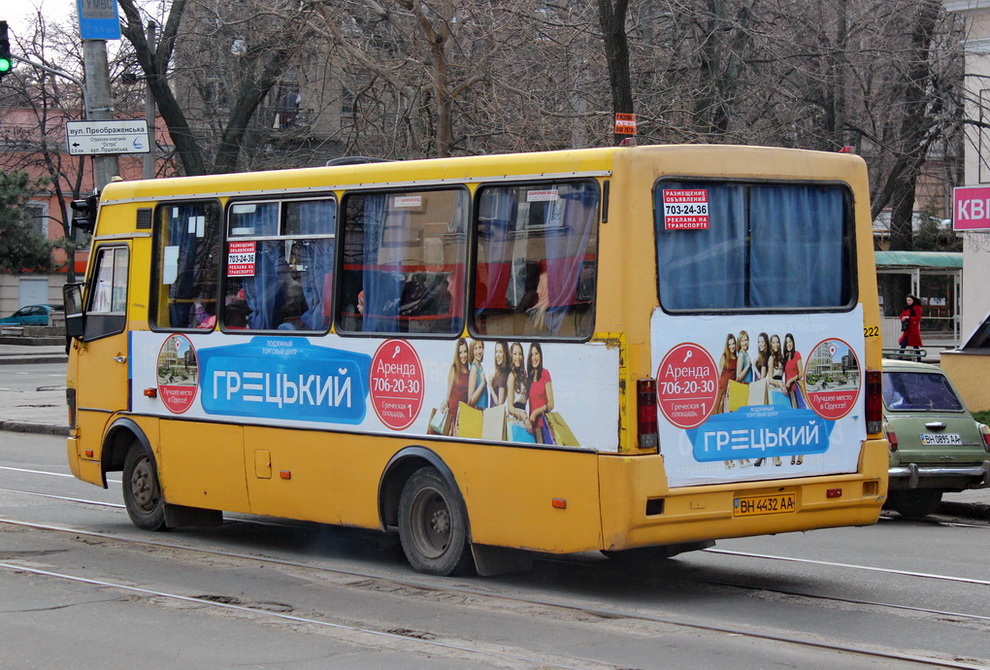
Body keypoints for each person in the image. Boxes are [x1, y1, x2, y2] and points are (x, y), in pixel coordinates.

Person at [783, 333, 805, 465]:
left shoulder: (797, 354)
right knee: (791, 425)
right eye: (787, 342)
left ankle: (800, 455)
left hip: (796, 391)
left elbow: (801, 373)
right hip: (788, 394)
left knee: (799, 424)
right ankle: (792, 454)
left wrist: (791, 379)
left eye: (790, 341)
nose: (788, 344)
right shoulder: (786, 358)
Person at [527, 342, 554, 440]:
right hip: (532, 428)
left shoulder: (545, 373)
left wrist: (536, 412)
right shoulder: (529, 377)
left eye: (536, 353)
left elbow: (551, 404)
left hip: (544, 426)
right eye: (532, 354)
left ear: (540, 355)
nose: (534, 357)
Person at [441, 338, 471, 430]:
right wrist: (445, 402)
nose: (463, 355)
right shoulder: (454, 369)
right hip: (452, 411)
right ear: (457, 355)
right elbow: (448, 392)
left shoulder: (470, 373)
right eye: (460, 352)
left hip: (463, 413)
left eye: (465, 351)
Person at [507, 342, 531, 432]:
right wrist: (524, 417)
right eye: (515, 354)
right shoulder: (511, 376)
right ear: (511, 357)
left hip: (523, 418)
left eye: (520, 354)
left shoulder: (524, 377)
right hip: (514, 420)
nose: (518, 357)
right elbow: (510, 408)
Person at [714, 333, 737, 414]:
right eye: (729, 344)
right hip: (723, 387)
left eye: (733, 343)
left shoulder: (737, 359)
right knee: (719, 410)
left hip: (731, 389)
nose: (732, 346)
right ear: (727, 346)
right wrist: (718, 389)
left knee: (729, 411)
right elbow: (719, 373)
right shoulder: (724, 356)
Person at [467, 339, 490, 408]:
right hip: (477, 414)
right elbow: (470, 400)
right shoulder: (474, 368)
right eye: (475, 349)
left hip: (482, 412)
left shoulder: (480, 367)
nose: (478, 351)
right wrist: (482, 383)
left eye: (480, 347)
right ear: (472, 352)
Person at [899, 294, 923, 358]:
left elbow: (917, 317)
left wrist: (908, 317)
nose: (908, 302)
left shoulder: (917, 307)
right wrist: (903, 318)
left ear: (913, 300)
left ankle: (918, 357)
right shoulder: (907, 308)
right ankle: (900, 357)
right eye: (907, 300)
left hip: (913, 328)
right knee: (904, 344)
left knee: (915, 344)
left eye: (910, 300)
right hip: (907, 328)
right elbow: (901, 315)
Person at [488, 340, 510, 407]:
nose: (497, 355)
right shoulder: (499, 372)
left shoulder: (503, 374)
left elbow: (499, 403)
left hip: (496, 415)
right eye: (496, 352)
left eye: (500, 352)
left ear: (505, 354)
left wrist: (490, 386)